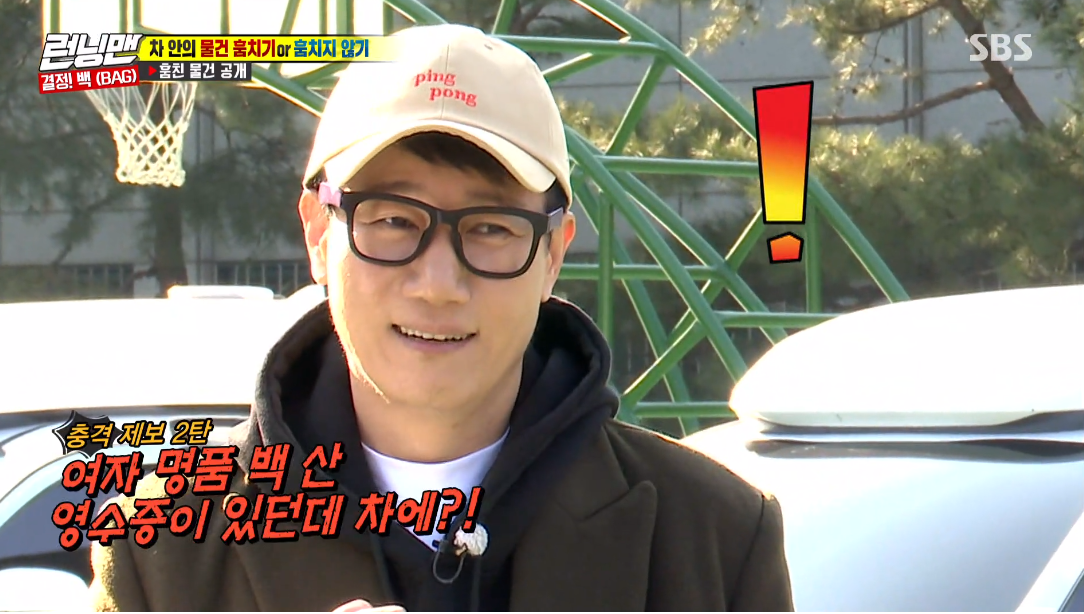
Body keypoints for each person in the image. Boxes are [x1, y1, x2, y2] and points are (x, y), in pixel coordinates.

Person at [88, 23, 794, 612]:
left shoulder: (713, 536)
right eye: (393, 220)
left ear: (553, 253)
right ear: (318, 233)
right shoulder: (165, 542)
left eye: (490, 229)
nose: (438, 284)